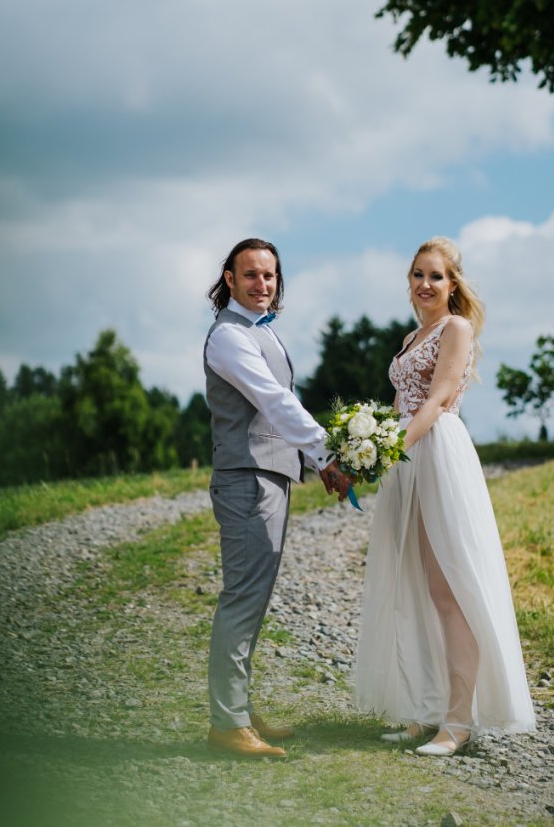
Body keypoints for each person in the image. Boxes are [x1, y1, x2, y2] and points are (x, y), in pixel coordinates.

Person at [355, 236, 535, 755]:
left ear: (452, 284)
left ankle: (458, 721)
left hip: (437, 453)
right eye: (418, 274)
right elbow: (399, 403)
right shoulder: (411, 337)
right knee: (414, 586)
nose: (425, 284)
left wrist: (394, 448)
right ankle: (426, 709)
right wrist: (369, 447)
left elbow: (436, 399)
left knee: (448, 589)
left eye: (436, 276)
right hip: (408, 459)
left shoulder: (456, 329)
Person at [203, 237, 352, 759]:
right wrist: (326, 454)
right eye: (251, 275)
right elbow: (274, 401)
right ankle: (227, 723)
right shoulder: (229, 336)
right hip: (246, 479)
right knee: (243, 596)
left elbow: (282, 402)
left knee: (256, 596)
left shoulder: (261, 331)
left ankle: (239, 708)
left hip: (269, 476)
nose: (262, 284)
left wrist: (312, 459)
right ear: (230, 279)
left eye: (269, 275)